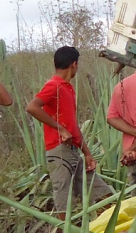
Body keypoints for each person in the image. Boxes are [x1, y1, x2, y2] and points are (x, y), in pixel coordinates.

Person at [25, 46, 114, 214]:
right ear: (74, 64)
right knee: (63, 199)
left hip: (72, 151)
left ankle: (114, 226)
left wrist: (87, 153)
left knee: (102, 192)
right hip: (59, 151)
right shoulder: (54, 85)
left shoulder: (67, 89)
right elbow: (32, 107)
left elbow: (72, 127)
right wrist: (59, 128)